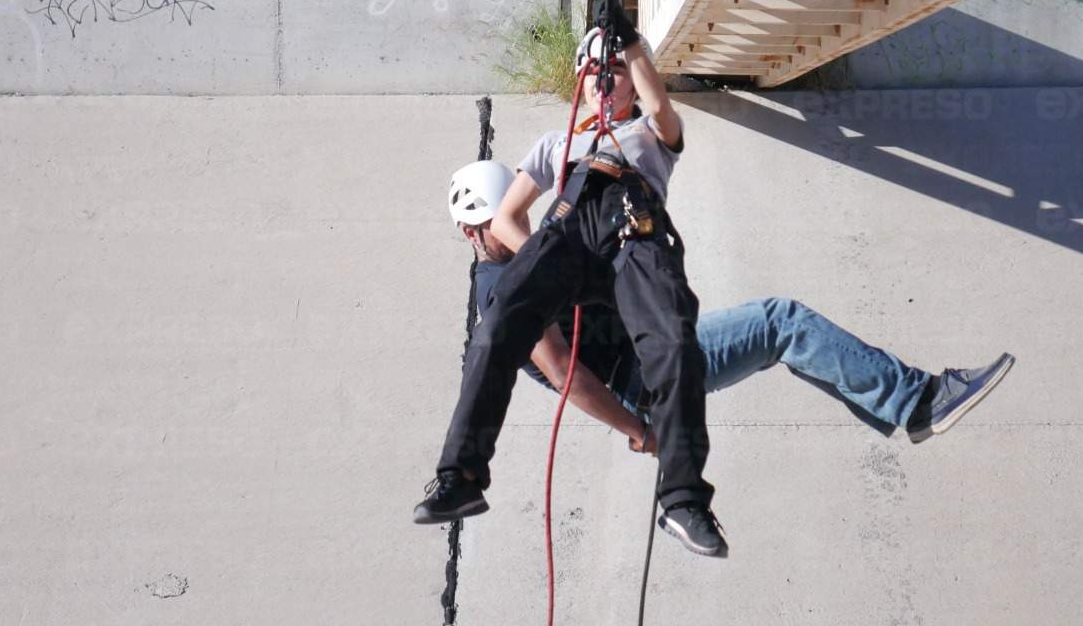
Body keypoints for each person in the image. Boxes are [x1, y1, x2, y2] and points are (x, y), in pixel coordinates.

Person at [425, 159, 1016, 557]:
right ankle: (915, 402)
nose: (519, 228)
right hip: (642, 382)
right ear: (472, 231)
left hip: (649, 361)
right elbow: (564, 373)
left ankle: (899, 405)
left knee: (778, 336)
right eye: (501, 221)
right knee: (780, 322)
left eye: (521, 215)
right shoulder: (500, 288)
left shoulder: (532, 258)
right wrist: (640, 429)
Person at [415, 6, 728, 557]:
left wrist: (630, 44)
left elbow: (660, 104)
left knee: (674, 344)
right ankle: (462, 476)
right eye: (593, 73)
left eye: (615, 74)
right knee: (499, 325)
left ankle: (683, 500)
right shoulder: (553, 145)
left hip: (634, 225)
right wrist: (538, 261)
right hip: (568, 230)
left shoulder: (650, 133)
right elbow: (508, 219)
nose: (603, 83)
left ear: (632, 79)